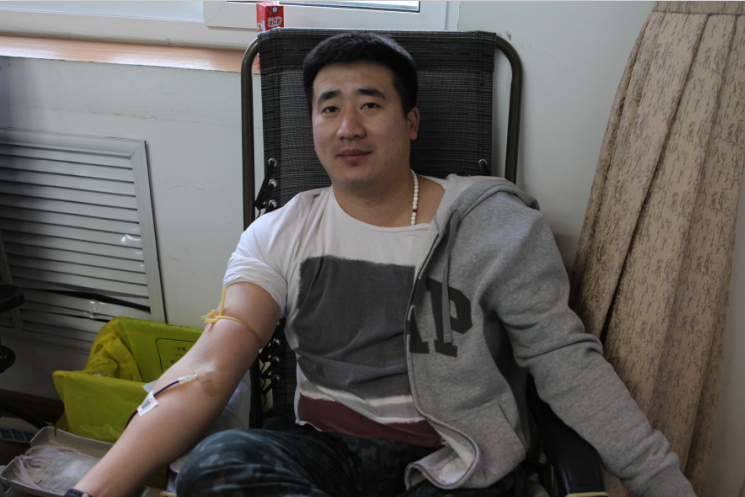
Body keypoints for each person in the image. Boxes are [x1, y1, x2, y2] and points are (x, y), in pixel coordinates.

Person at [70, 33, 695, 497]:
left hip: (457, 462)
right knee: (215, 466)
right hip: (326, 456)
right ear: (312, 125)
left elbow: (566, 363)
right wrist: (91, 491)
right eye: (328, 108)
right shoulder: (281, 233)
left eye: (370, 105)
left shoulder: (495, 229)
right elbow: (210, 367)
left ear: (410, 121)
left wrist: (663, 483)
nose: (348, 127)